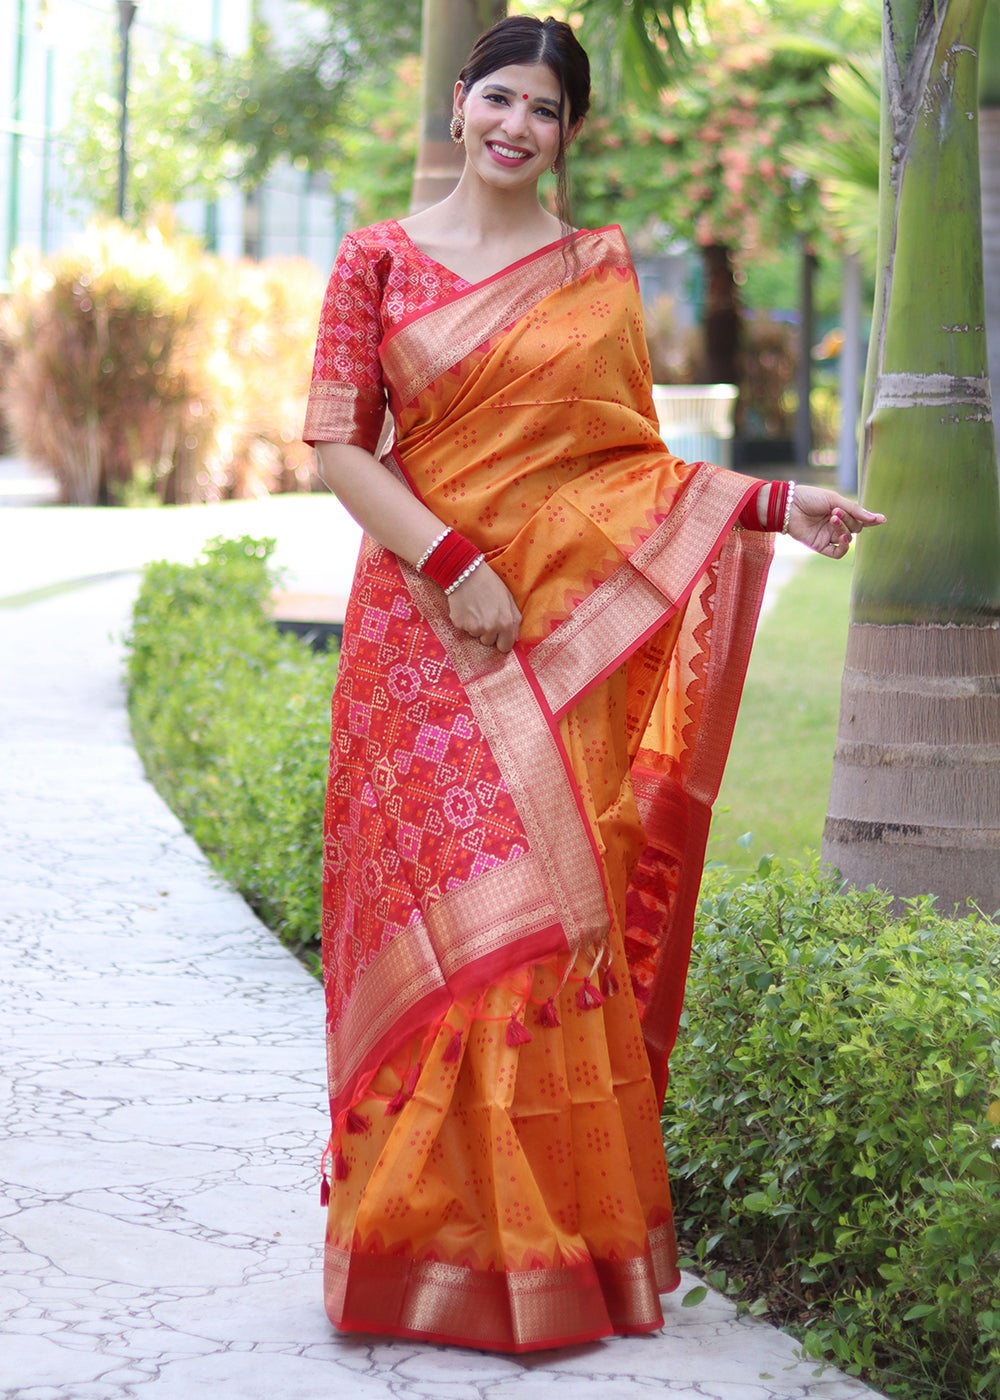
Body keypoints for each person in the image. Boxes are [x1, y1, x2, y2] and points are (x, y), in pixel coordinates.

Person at [303, 14, 884, 1354]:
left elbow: (624, 468)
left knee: (546, 928)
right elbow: (337, 444)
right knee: (436, 932)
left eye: (545, 110)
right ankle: (410, 1245)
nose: (516, 125)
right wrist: (455, 561)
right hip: (416, 645)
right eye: (499, 97)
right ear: (459, 105)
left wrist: (777, 505)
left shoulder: (593, 271)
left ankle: (545, 1257)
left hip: (543, 646)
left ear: (568, 136)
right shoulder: (376, 259)